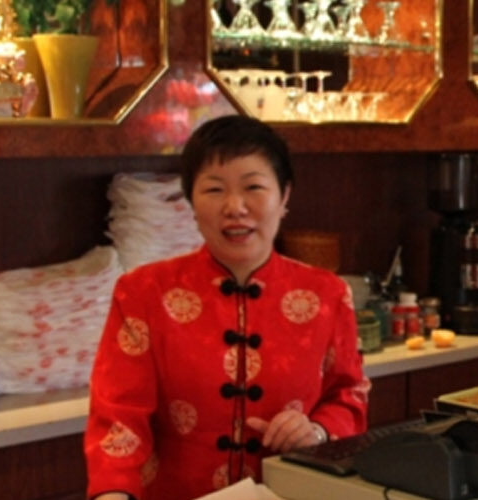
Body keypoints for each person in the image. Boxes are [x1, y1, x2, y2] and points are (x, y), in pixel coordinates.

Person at [85, 115, 369, 500]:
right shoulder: (143, 293)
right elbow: (118, 415)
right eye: (214, 190)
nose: (235, 207)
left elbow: (348, 394)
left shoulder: (326, 294)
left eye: (253, 186)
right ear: (192, 201)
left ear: (284, 195)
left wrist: (316, 430)